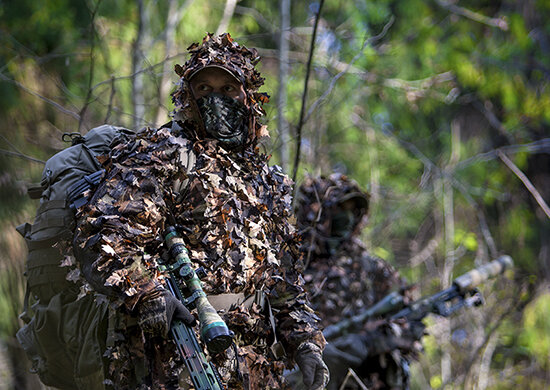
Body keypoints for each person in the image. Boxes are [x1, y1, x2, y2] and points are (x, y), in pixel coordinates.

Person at [18, 33, 329, 390]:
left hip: (254, 365)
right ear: (188, 97)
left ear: (249, 96)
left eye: (228, 88)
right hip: (173, 357)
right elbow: (106, 235)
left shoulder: (267, 181)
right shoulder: (162, 154)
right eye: (204, 89)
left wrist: (305, 343)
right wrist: (150, 294)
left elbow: (284, 282)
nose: (217, 99)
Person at [293, 173, 424, 390]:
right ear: (317, 209)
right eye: (339, 209)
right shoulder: (290, 265)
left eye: (352, 211)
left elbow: (412, 321)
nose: (347, 217)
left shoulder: (371, 269)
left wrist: (367, 342)